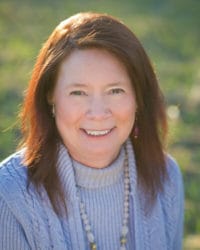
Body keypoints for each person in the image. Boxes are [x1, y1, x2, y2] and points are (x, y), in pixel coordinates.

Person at [0, 12, 184, 250]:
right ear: (50, 97)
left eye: (115, 91)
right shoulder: (9, 194)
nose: (98, 113)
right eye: (78, 92)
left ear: (138, 98)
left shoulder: (166, 176)